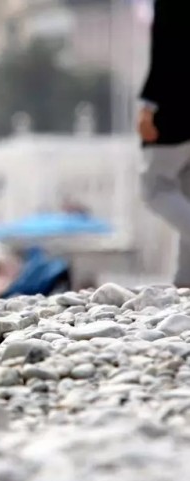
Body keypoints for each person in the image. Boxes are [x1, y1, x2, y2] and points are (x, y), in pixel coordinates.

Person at [139, 0, 190, 286]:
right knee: (186, 192)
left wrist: (148, 106)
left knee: (154, 188)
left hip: (175, 112)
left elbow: (165, 52)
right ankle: (186, 282)